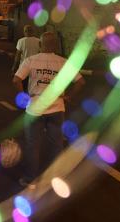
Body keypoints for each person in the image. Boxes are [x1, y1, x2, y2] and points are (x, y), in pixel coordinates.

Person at [12, 32, 84, 188]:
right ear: (57, 46)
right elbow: (80, 82)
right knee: (56, 145)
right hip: (57, 108)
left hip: (35, 108)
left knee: (33, 145)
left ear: (40, 45)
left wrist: (24, 96)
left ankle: (30, 179)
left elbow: (16, 80)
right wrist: (69, 96)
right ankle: (55, 177)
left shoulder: (31, 60)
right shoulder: (64, 62)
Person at [13, 25, 41, 90]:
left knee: (24, 85)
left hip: (24, 67)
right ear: (33, 32)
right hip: (35, 67)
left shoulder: (21, 41)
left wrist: (14, 66)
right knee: (33, 84)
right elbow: (40, 53)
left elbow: (18, 55)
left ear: (24, 32)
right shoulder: (39, 41)